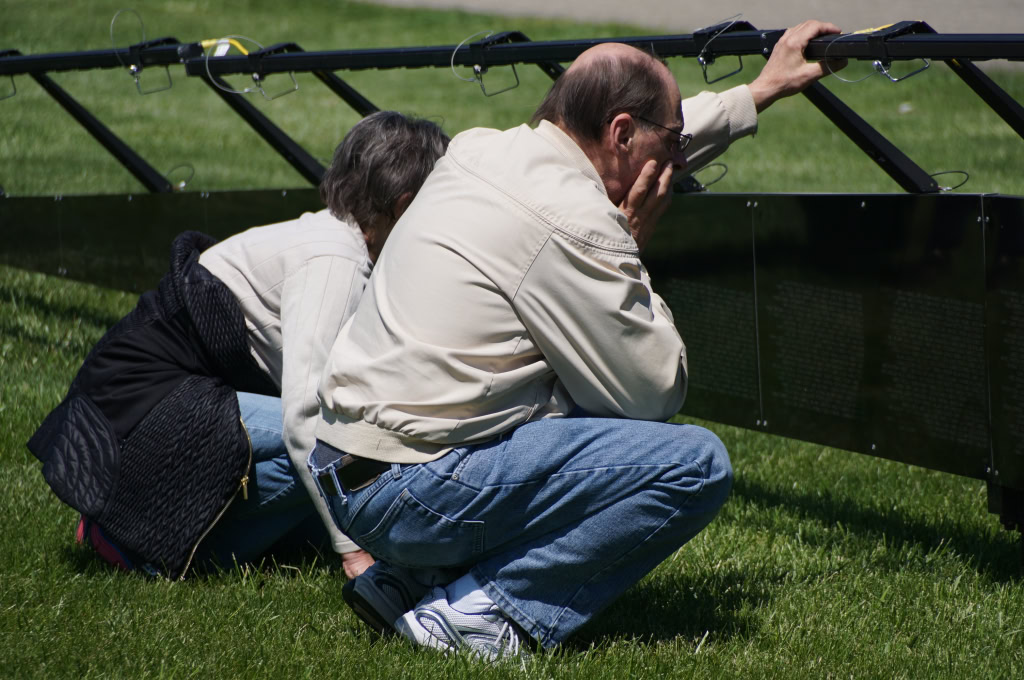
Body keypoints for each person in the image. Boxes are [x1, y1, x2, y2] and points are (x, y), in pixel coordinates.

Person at [308, 21, 845, 659]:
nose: (674, 160)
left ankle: (408, 579)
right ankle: (479, 614)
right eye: (668, 142)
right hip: (418, 495)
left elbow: (649, 141)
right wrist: (631, 251)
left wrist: (759, 91)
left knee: (560, 389)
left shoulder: (482, 150)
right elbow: (656, 390)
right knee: (694, 465)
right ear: (620, 132)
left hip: (343, 467)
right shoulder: (579, 224)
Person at [27, 111, 449, 579]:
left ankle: (130, 524)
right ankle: (148, 547)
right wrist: (353, 549)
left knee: (348, 463)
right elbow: (307, 416)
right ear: (405, 204)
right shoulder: (335, 262)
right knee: (348, 447)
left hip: (139, 413)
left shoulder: (327, 236)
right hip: (148, 414)